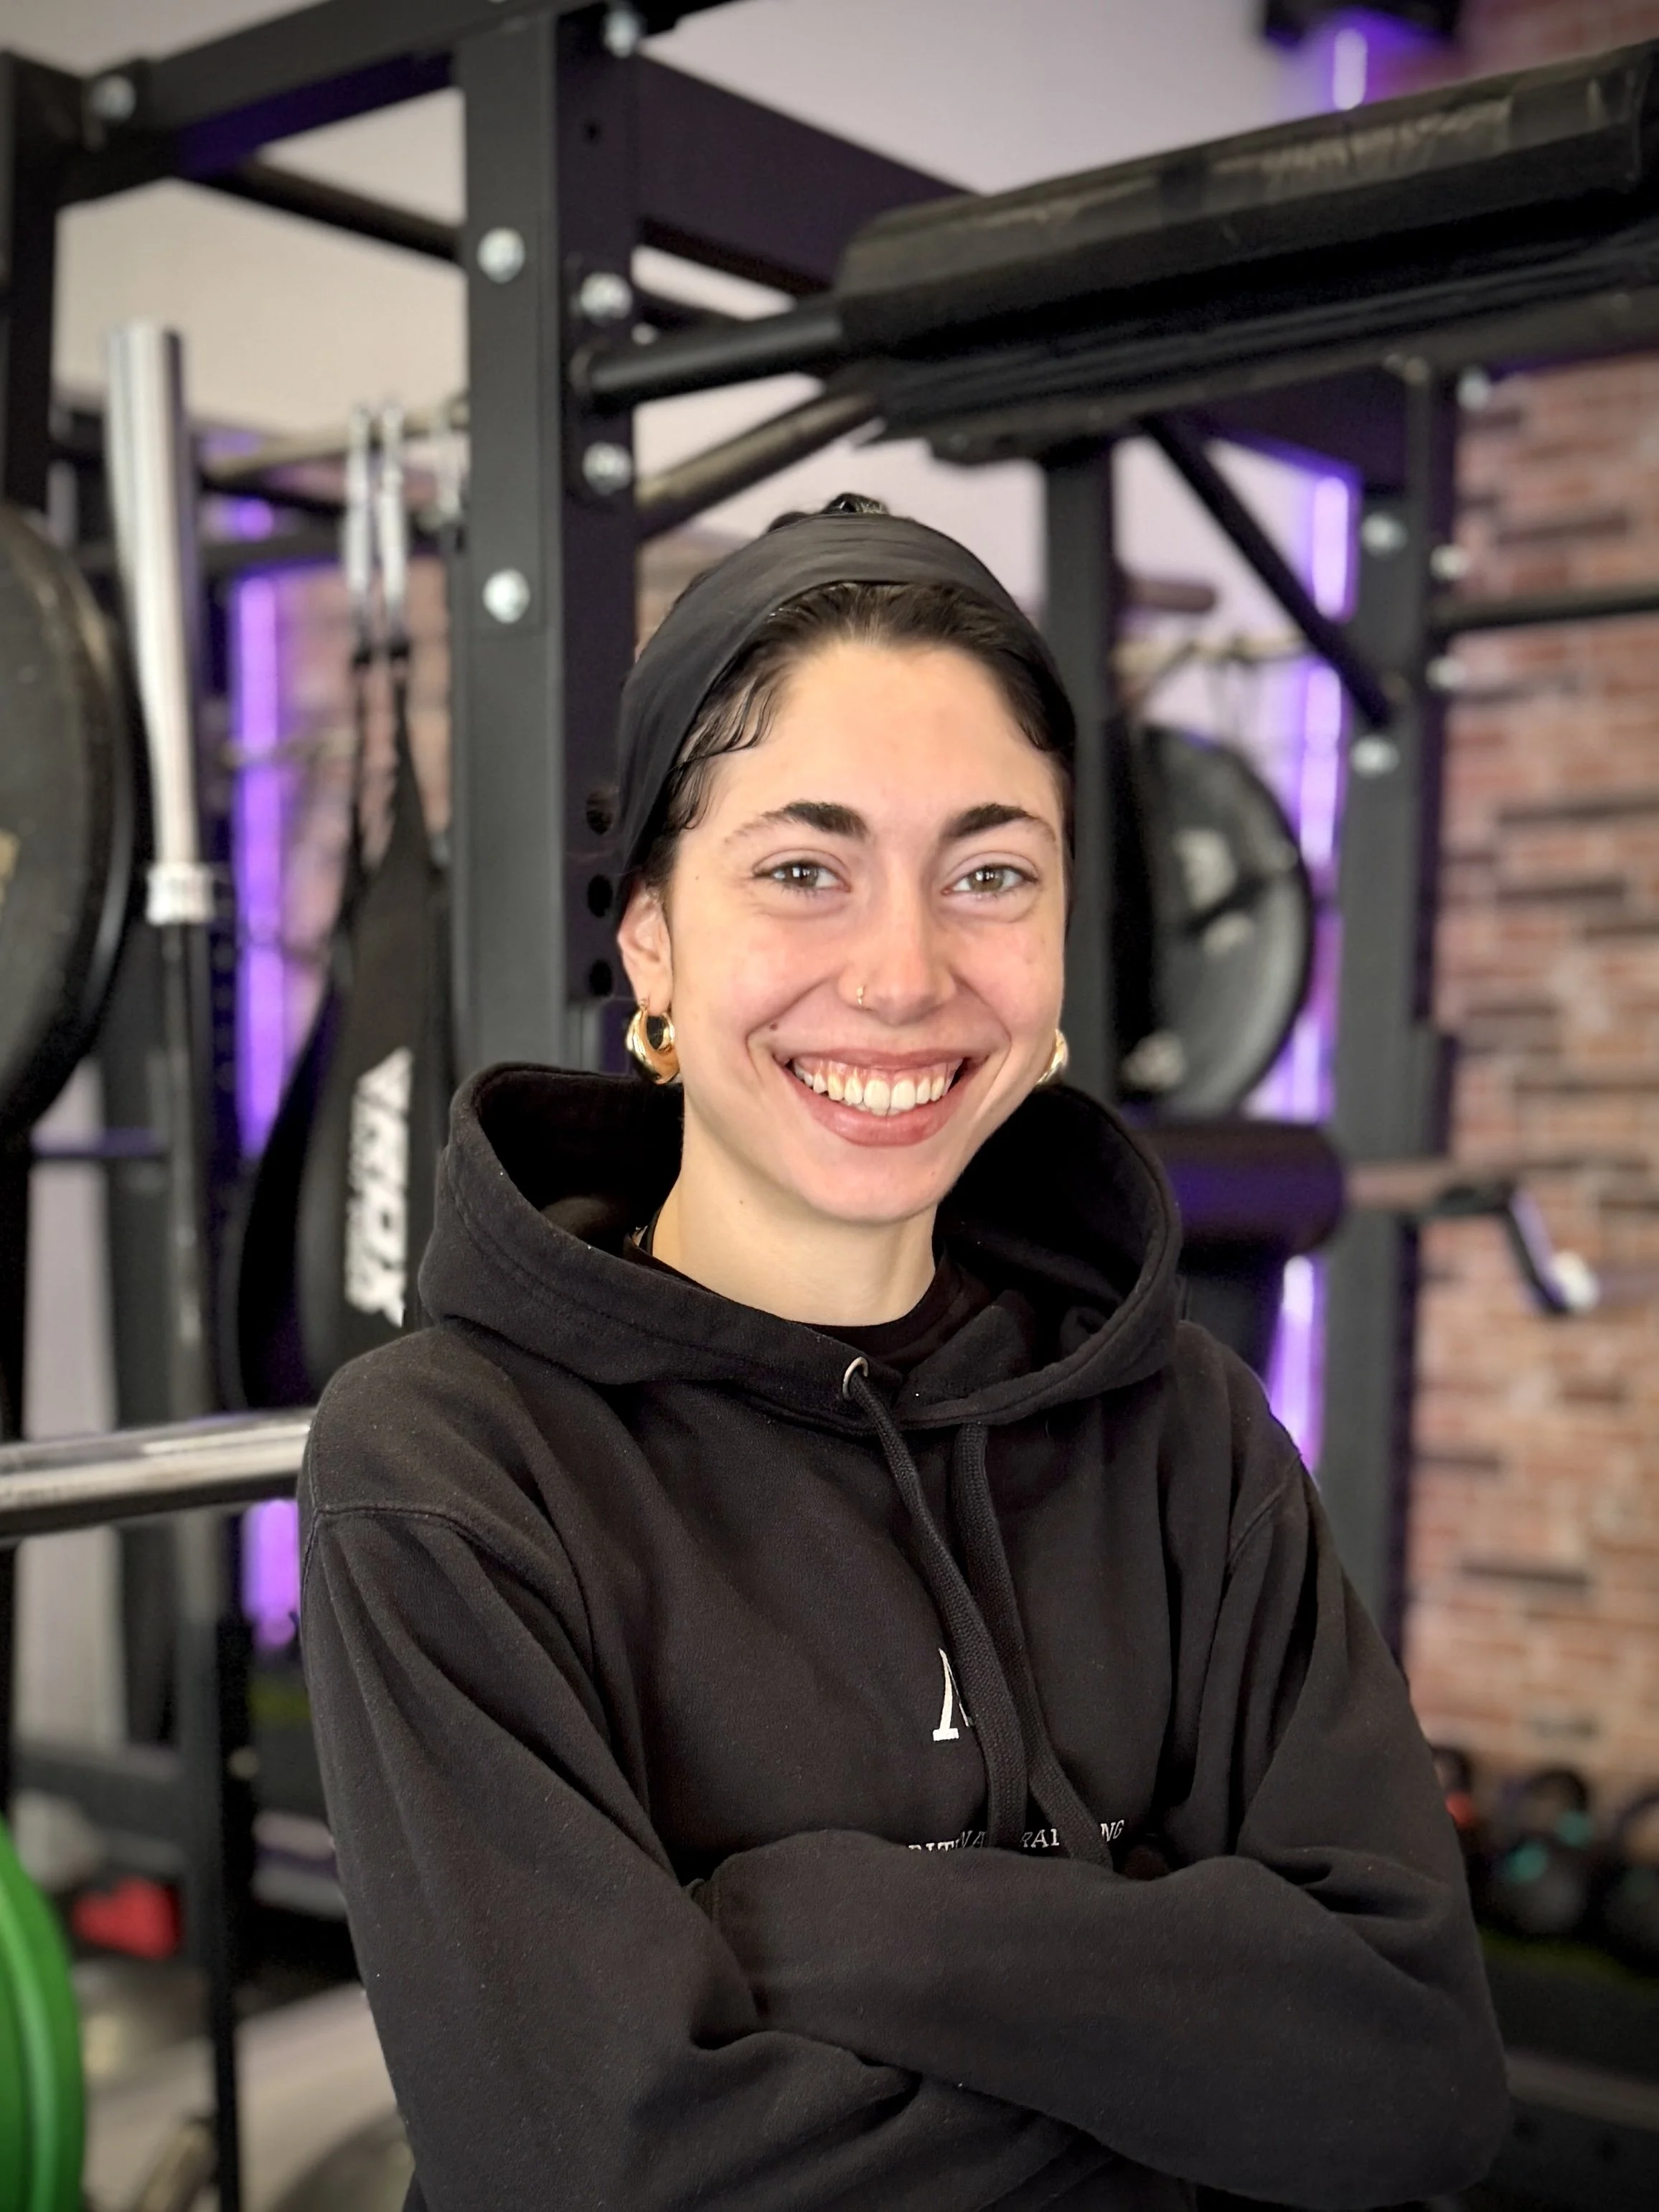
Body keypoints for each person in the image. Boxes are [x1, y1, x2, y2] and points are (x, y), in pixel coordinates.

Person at [299, 496, 1508, 2212]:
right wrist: (1186, 2051)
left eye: (989, 872)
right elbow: (606, 2168)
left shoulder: (1188, 1432)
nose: (902, 971)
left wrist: (825, 1922)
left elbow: (1410, 2070)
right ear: (650, 937)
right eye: (804, 868)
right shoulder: (448, 1462)